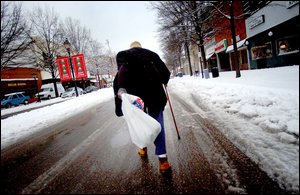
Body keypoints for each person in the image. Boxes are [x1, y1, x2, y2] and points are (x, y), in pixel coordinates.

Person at [113, 41, 171, 174]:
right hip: (155, 95)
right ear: (140, 47)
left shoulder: (124, 55)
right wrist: (164, 81)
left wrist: (121, 90)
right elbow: (165, 74)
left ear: (131, 48)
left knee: (139, 123)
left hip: (136, 98)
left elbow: (120, 75)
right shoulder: (152, 55)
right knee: (157, 124)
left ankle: (143, 148)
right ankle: (163, 161)